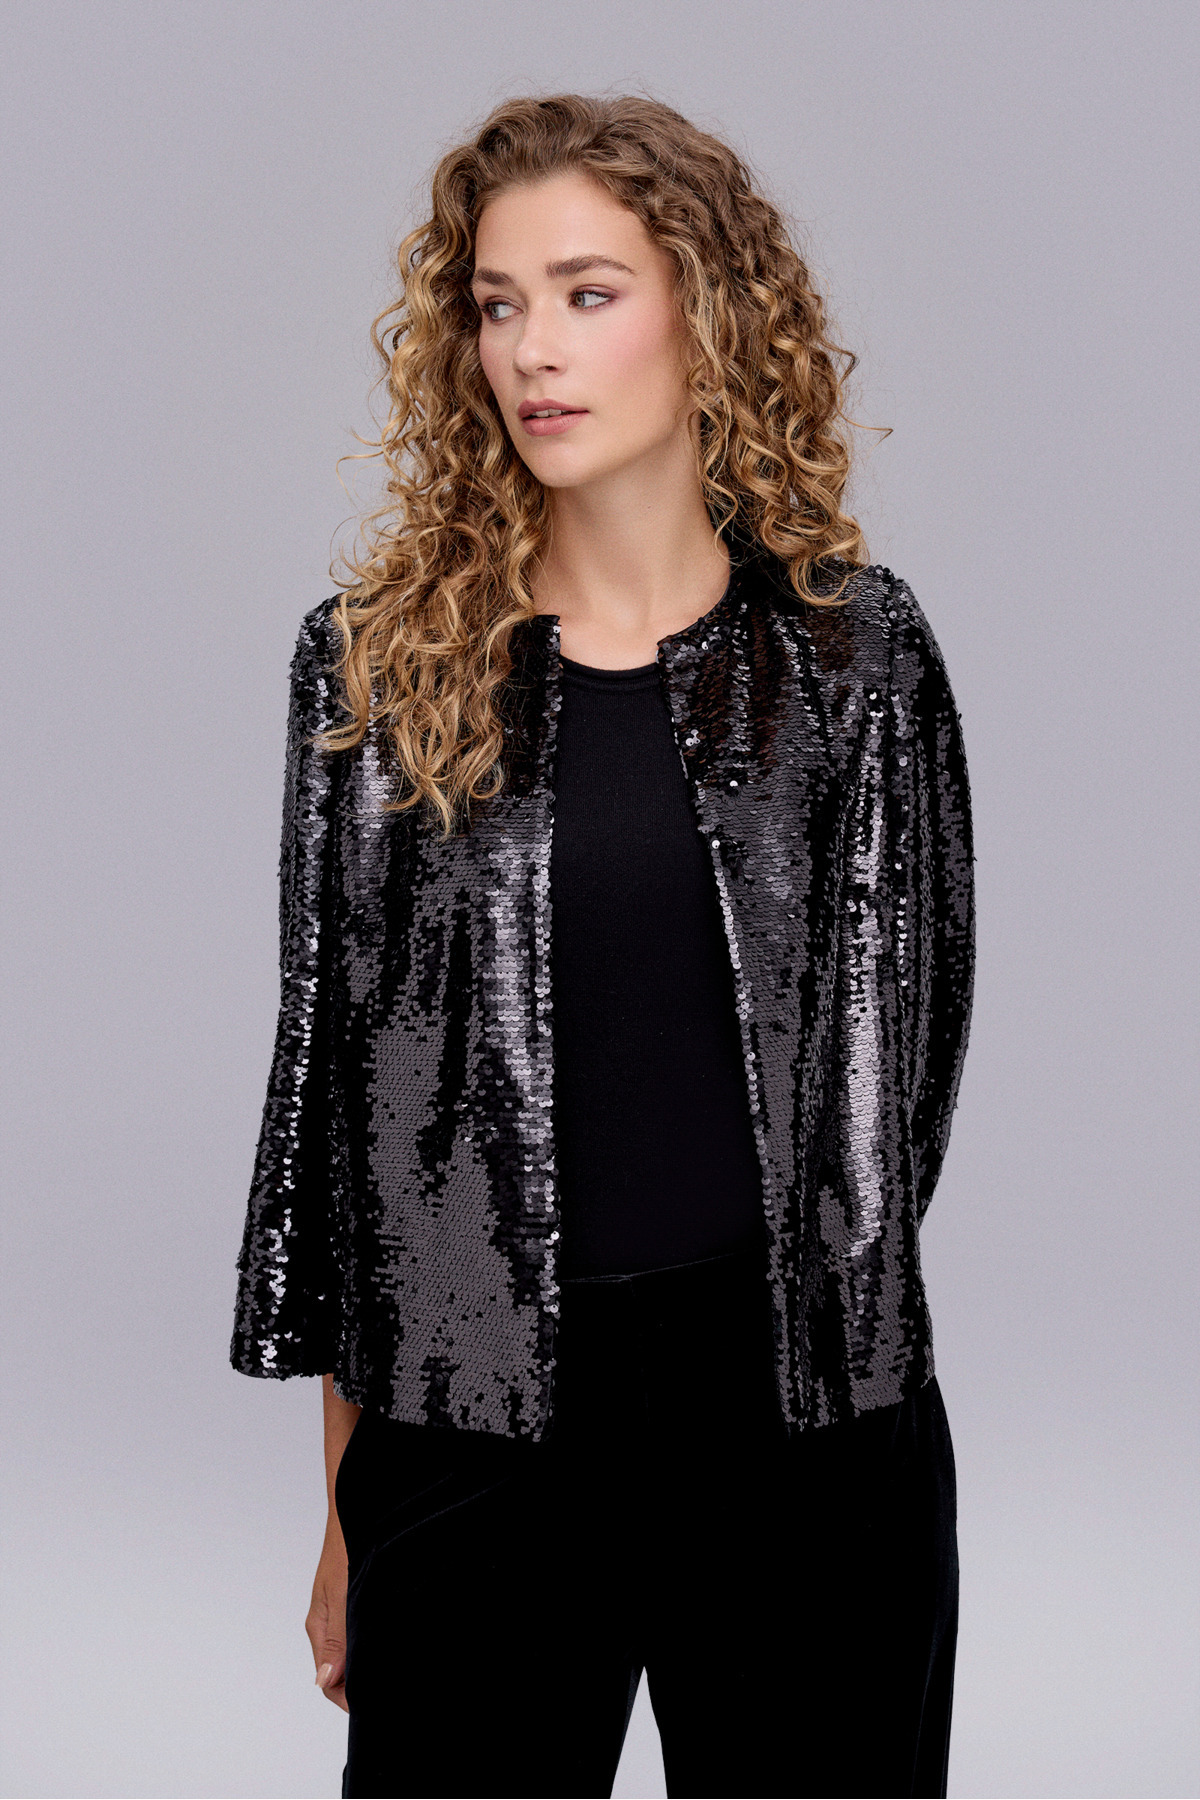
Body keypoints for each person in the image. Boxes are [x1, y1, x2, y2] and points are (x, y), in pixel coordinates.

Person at [230, 92, 975, 1800]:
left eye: (587, 293)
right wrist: (347, 1514)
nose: (532, 351)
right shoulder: (376, 673)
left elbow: (904, 1070)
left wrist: (832, 1341)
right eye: (498, 304)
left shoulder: (856, 665)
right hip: (473, 1418)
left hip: (805, 1421)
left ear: (706, 314)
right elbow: (346, 1125)